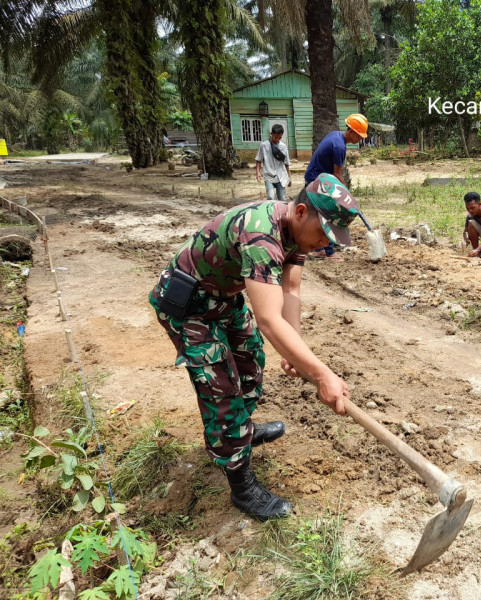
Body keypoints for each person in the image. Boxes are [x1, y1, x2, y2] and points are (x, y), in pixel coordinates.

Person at [149, 174, 363, 521]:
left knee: (250, 361)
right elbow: (267, 318)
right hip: (189, 304)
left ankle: (240, 431)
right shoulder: (261, 235)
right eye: (323, 232)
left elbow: (290, 292)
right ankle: (240, 483)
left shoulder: (296, 234)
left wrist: (294, 350)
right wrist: (321, 374)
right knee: (221, 389)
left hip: (224, 297)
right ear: (301, 212)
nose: (325, 243)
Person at [305, 114, 368, 261]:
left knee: (317, 214)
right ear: (351, 131)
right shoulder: (339, 146)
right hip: (318, 181)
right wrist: (346, 195)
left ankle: (319, 248)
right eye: (359, 136)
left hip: (316, 177)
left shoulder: (336, 135)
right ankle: (328, 251)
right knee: (328, 213)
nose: (359, 139)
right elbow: (338, 175)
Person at [255, 124, 292, 201]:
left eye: (280, 137)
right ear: (271, 134)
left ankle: (281, 213)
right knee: (271, 197)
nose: (277, 139)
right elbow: (258, 160)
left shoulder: (283, 147)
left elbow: (286, 163)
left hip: (281, 177)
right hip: (269, 176)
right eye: (275, 137)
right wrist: (258, 172)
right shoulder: (264, 145)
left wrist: (289, 178)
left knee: (282, 199)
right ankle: (271, 212)